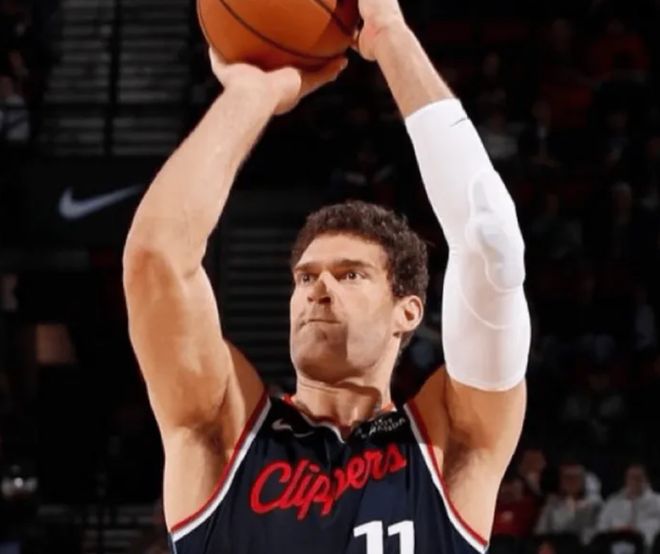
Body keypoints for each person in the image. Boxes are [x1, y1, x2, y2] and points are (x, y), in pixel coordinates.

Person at [122, 0, 531, 552]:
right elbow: (156, 258)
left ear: (408, 311)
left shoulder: (452, 441)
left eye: (350, 275)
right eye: (305, 277)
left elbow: (490, 239)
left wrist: (389, 35)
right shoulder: (225, 431)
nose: (319, 288)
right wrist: (251, 95)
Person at [534, 460, 602, 544]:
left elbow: (595, 534)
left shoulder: (595, 505)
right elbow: (540, 532)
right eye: (567, 478)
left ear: (583, 480)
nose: (571, 481)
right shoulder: (551, 505)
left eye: (575, 477)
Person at [596, 463, 660, 548]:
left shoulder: (657, 501)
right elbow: (602, 527)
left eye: (638, 477)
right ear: (626, 479)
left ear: (646, 479)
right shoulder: (613, 501)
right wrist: (617, 532)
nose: (634, 481)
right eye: (631, 477)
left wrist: (638, 532)